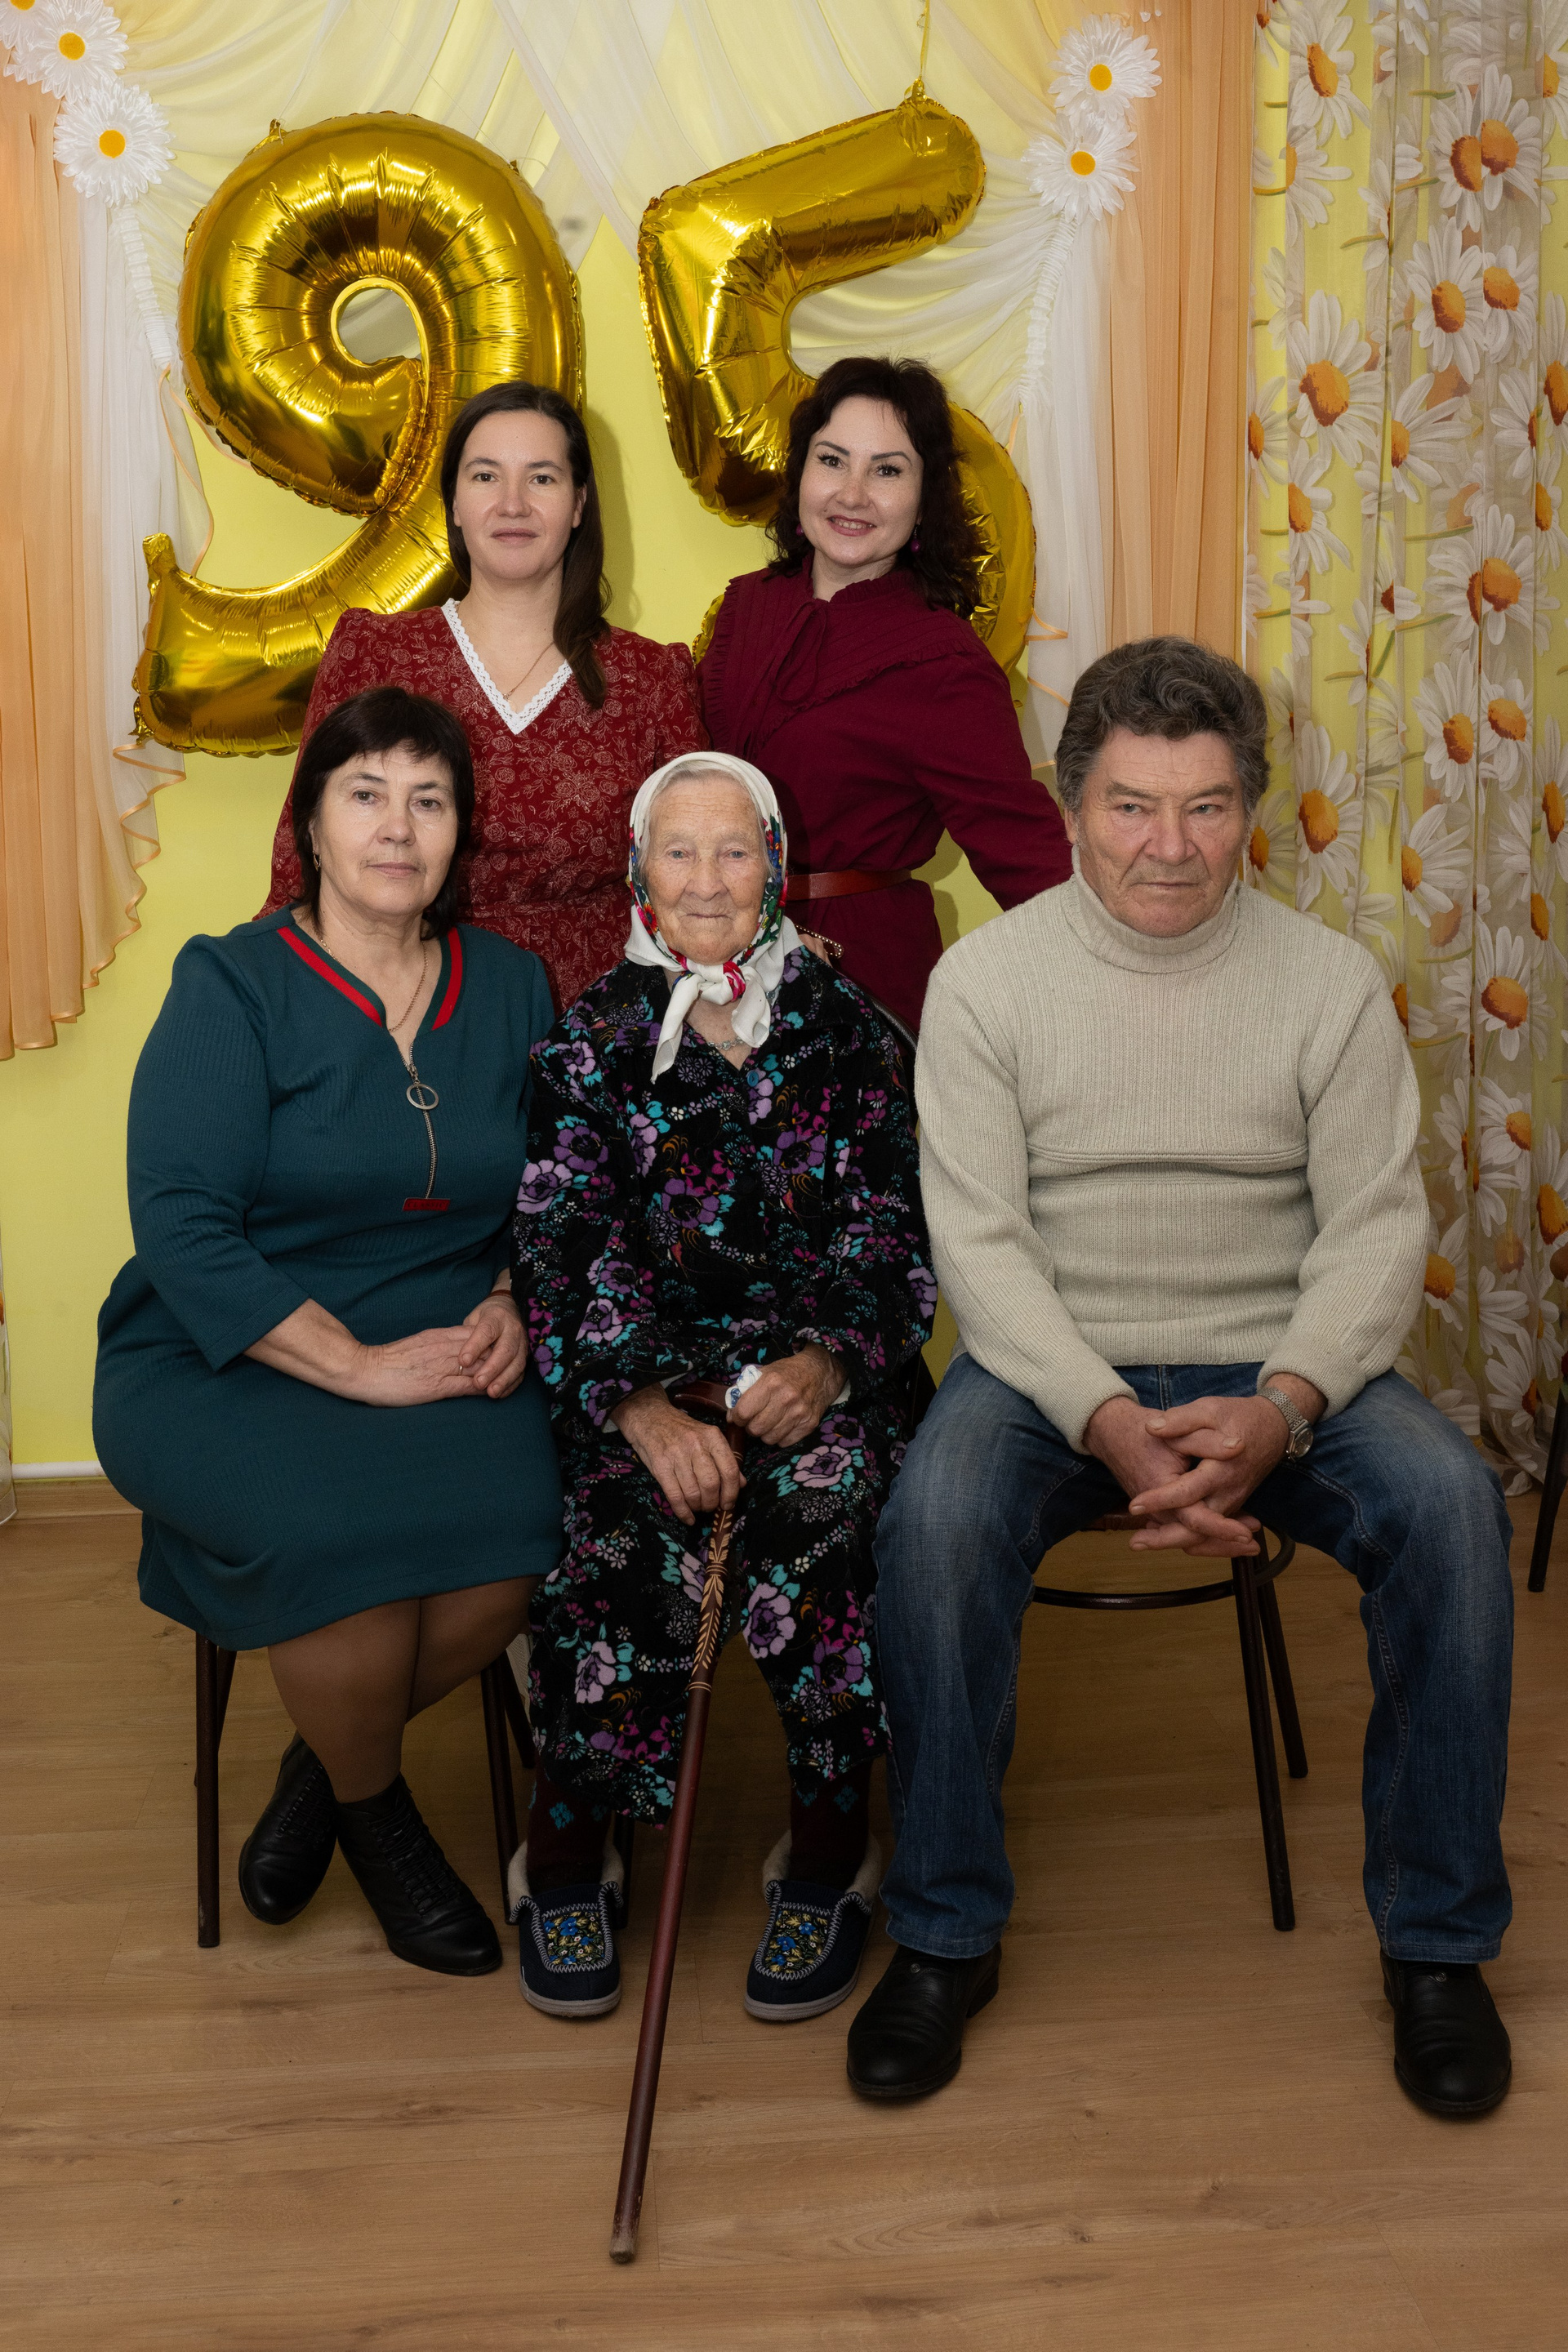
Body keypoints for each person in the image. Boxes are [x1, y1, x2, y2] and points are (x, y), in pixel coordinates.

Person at [849, 637, 1516, 2120]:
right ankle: (945, 1930)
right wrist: (1104, 1418)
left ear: (1250, 813)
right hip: (1051, 1364)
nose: (1170, 846)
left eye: (1206, 808)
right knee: (934, 1524)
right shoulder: (985, 982)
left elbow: (1376, 1229)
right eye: (1133, 807)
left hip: (1279, 1357)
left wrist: (1285, 1407)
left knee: (1454, 1510)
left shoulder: (1327, 984)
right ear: (1072, 806)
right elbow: (979, 1242)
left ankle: (1437, 1947)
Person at [96, 687, 563, 1978]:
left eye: (429, 799)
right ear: (310, 822)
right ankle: (380, 1819)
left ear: (461, 832)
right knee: (332, 1543)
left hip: (447, 1333)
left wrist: (512, 1298)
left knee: (526, 1529)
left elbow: (559, 1193)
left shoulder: (514, 987)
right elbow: (180, 1226)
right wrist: (354, 1368)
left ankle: (323, 1761)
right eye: (366, 795)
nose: (397, 828)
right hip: (224, 1346)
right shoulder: (231, 983)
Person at [509, 751, 934, 2021]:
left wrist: (825, 1365)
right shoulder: (586, 1046)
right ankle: (567, 1855)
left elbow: (900, 1234)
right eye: (679, 851)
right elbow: (559, 1249)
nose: (706, 880)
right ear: (640, 871)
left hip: (820, 1378)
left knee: (830, 1514)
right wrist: (643, 1409)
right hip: (643, 1386)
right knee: (614, 1526)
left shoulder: (853, 1033)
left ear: (776, 867)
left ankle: (828, 1854)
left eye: (735, 850)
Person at [261, 381, 708, 1008]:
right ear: (454, 503)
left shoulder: (650, 678)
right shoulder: (374, 654)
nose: (512, 504)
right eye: (485, 476)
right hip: (404, 1010)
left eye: (542, 478)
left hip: (602, 1026)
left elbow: (700, 876)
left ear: (579, 503)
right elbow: (298, 860)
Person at [697, 354, 1071, 1033]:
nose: (853, 493)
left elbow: (1027, 856)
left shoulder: (943, 660)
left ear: (926, 498)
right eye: (832, 460)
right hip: (711, 964)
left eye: (888, 470)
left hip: (858, 981)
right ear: (801, 472)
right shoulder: (744, 606)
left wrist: (1131, 975)